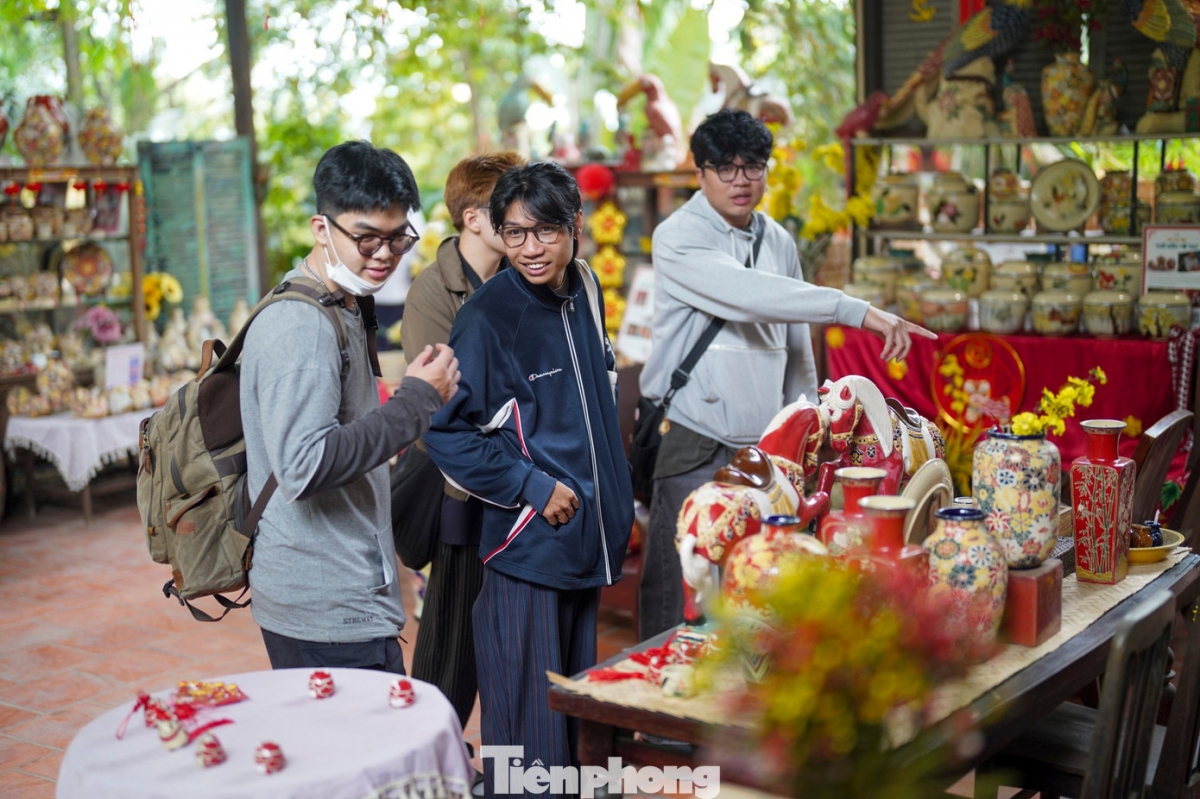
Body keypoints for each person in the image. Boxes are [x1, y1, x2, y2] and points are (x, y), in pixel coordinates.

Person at [637, 109, 935, 641]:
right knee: (679, 583)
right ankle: (654, 715)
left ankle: (732, 711)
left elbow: (798, 346)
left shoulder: (777, 241)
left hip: (766, 450)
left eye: (753, 166)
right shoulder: (677, 237)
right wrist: (856, 310)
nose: (740, 180)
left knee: (754, 586)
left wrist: (809, 428)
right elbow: (749, 296)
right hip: (693, 440)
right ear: (699, 174)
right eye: (724, 168)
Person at [423, 162, 633, 797]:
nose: (529, 249)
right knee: (527, 736)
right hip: (528, 547)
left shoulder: (586, 288)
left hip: (586, 540)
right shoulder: (490, 318)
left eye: (544, 232)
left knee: (575, 721)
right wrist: (532, 487)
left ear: (575, 227)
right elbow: (445, 431)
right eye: (514, 235)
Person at [241, 140, 460, 672]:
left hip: (343, 584)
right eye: (366, 238)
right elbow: (303, 466)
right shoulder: (302, 324)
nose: (384, 254)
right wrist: (416, 400)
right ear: (322, 229)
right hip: (323, 603)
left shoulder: (342, 300)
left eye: (397, 237)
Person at [403, 151, 525, 730]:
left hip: (523, 489)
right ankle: (435, 764)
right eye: (511, 211)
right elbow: (443, 400)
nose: (526, 224)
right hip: (461, 488)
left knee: (513, 651)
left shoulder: (527, 276)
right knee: (448, 650)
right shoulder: (434, 290)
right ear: (475, 218)